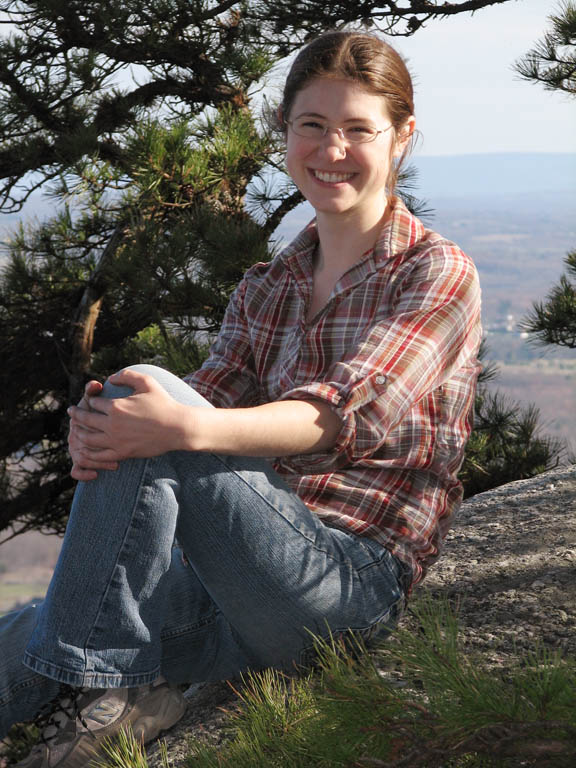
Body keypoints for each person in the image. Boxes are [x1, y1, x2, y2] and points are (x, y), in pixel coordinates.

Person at [0, 30, 482, 768]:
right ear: (285, 132)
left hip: (340, 588)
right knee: (24, 633)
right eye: (312, 127)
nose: (332, 151)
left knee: (162, 408)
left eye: (358, 129)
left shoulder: (436, 274)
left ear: (402, 136)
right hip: (230, 591)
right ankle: (120, 689)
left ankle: (108, 701)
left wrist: (171, 421)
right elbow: (204, 403)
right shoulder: (268, 285)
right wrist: (103, 428)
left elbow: (336, 415)